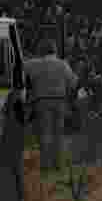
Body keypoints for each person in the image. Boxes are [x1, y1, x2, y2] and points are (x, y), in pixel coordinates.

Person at [23, 38, 78, 171]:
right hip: (60, 100)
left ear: (41, 50)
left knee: (45, 134)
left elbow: (22, 68)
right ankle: (58, 165)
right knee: (58, 134)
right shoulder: (63, 64)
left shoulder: (34, 64)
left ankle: (46, 165)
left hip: (42, 101)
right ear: (54, 50)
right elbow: (74, 82)